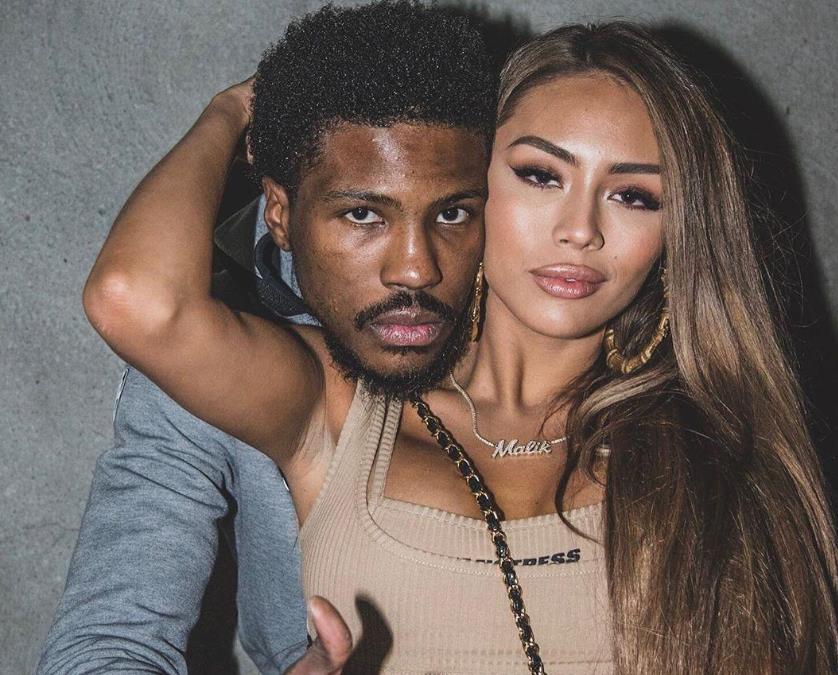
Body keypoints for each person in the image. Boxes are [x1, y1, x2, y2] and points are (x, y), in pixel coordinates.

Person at [84, 17, 838, 675]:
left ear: (678, 232)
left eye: (633, 195)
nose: (580, 230)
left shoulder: (723, 451)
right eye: (541, 175)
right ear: (480, 182)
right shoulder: (338, 405)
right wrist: (233, 111)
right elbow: (134, 301)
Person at [38, 2, 496, 673]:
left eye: (452, 213)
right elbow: (107, 642)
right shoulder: (212, 360)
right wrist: (228, 112)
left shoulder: (547, 325)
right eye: (362, 214)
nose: (415, 269)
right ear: (279, 213)